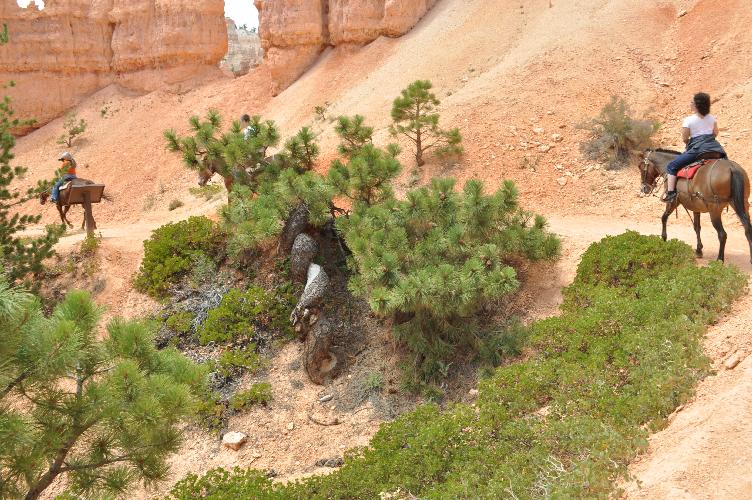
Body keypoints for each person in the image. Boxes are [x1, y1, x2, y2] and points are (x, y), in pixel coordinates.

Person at [663, 92, 726, 202]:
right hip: (716, 149)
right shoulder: (712, 118)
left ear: (697, 105)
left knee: (671, 166)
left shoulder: (688, 120)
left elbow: (684, 138)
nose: (690, 104)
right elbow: (715, 133)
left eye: (692, 102)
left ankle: (671, 194)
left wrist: (691, 143)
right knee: (726, 164)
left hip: (698, 150)